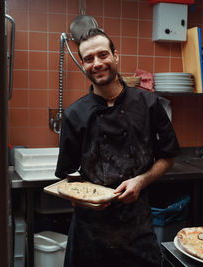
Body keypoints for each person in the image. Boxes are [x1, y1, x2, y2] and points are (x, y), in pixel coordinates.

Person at [55, 28, 180, 267]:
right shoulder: (74, 114)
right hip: (89, 233)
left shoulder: (148, 104)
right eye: (89, 59)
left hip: (137, 226)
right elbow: (67, 178)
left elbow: (168, 156)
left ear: (116, 56)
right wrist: (83, 198)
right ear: (83, 65)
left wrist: (141, 181)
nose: (97, 63)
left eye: (103, 55)